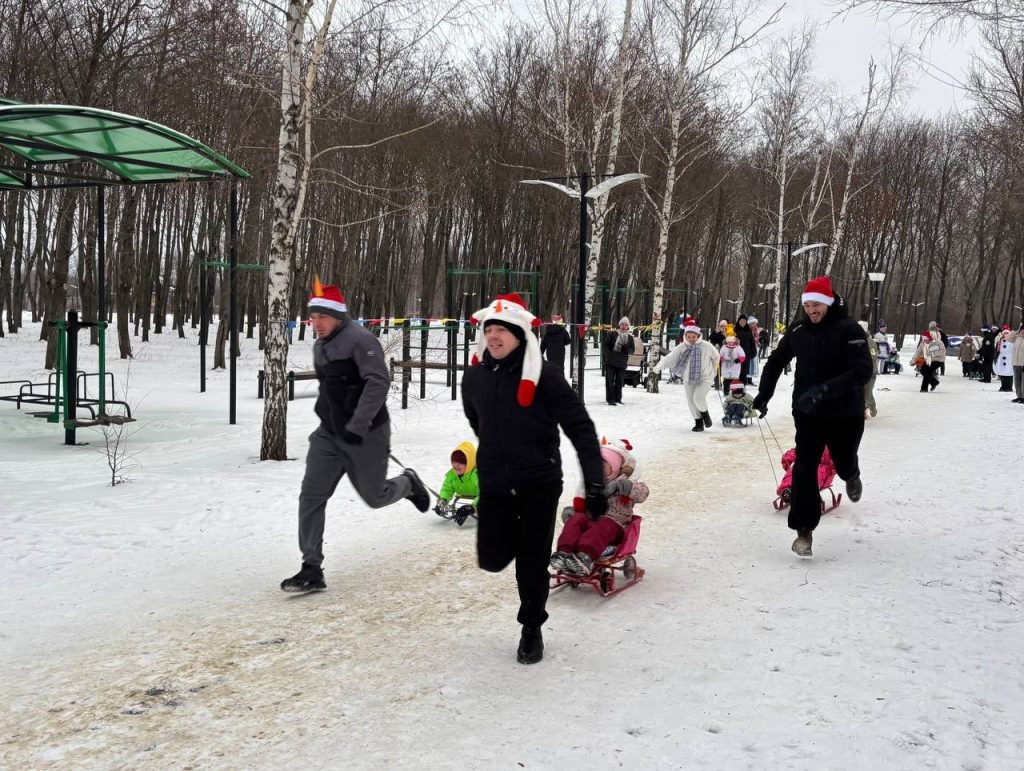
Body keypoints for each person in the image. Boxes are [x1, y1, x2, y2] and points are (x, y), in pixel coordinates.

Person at [462, 293, 605, 665]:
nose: (493, 336)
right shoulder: (475, 376)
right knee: (491, 559)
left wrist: (594, 482)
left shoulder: (546, 377)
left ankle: (531, 627)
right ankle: (515, 545)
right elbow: (476, 419)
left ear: (520, 335)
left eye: (501, 331)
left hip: (538, 481)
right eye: (488, 329)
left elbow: (580, 429)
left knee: (531, 561)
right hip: (495, 480)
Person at [281, 280, 431, 593]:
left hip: (366, 434)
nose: (316, 323)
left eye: (322, 316)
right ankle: (311, 567)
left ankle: (407, 483)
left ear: (337, 315)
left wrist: (357, 425)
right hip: (329, 435)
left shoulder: (360, 340)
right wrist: (329, 420)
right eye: (313, 317)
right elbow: (332, 388)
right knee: (311, 495)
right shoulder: (320, 345)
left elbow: (377, 382)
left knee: (374, 497)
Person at [752, 276, 872, 558]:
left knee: (843, 461)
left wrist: (825, 390)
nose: (811, 310)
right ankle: (803, 530)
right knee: (804, 466)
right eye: (806, 305)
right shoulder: (799, 329)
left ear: (828, 303)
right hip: (808, 411)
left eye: (816, 305)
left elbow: (862, 372)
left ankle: (851, 476)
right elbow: (776, 361)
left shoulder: (849, 330)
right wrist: (764, 394)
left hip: (845, 412)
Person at [551, 440, 649, 577]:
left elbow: (643, 494)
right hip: (591, 523)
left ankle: (584, 556)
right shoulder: (593, 486)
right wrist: (575, 512)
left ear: (614, 468)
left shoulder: (626, 483)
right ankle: (563, 553)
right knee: (578, 518)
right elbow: (584, 504)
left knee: (603, 523)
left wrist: (629, 488)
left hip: (614, 528)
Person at [652, 316, 718, 431]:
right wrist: (658, 367)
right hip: (689, 378)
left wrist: (714, 370)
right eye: (689, 336)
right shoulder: (682, 347)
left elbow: (716, 357)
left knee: (698, 397)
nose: (691, 339)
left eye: (694, 336)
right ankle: (698, 423)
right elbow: (670, 358)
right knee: (691, 401)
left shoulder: (706, 346)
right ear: (685, 336)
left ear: (698, 336)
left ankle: (706, 416)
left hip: (705, 377)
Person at [436, 441, 480, 525]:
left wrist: (472, 507)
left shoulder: (477, 475)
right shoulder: (452, 474)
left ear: (469, 464)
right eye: (454, 465)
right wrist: (443, 499)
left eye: (460, 465)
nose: (456, 467)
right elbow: (447, 489)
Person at [602, 316, 634, 406]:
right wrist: (609, 354)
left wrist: (627, 350)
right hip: (611, 361)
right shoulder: (613, 334)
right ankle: (610, 399)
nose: (623, 326)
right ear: (619, 325)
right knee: (610, 380)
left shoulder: (630, 338)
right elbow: (605, 345)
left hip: (622, 362)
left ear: (628, 327)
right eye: (622, 324)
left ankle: (618, 398)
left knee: (620, 381)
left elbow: (632, 349)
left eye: (626, 325)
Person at [858, 319, 878, 417]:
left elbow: (873, 358)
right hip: (857, 372)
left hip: (870, 373)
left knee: (867, 395)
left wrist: (870, 369)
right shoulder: (854, 341)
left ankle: (873, 408)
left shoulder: (871, 343)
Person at [735, 314, 757, 384]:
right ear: (738, 321)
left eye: (744, 321)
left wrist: (753, 352)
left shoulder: (748, 330)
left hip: (746, 354)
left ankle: (743, 388)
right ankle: (735, 389)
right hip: (736, 355)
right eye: (741, 321)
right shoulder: (734, 330)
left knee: (744, 373)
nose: (742, 322)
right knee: (736, 372)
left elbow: (752, 342)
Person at [993, 325, 1015, 392]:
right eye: (1004, 333)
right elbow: (997, 350)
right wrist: (995, 357)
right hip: (1001, 357)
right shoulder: (1000, 340)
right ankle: (1003, 386)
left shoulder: (1012, 341)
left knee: (1009, 373)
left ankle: (1009, 387)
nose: (1006, 334)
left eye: (1007, 333)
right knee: (1002, 372)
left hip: (1009, 358)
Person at [1011, 323, 1024, 403]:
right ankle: (1019, 396)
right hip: (1016, 362)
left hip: (1023, 363)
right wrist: (1016, 331)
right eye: (1022, 330)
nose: (1023, 331)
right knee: (1017, 380)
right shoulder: (1017, 338)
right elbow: (1008, 338)